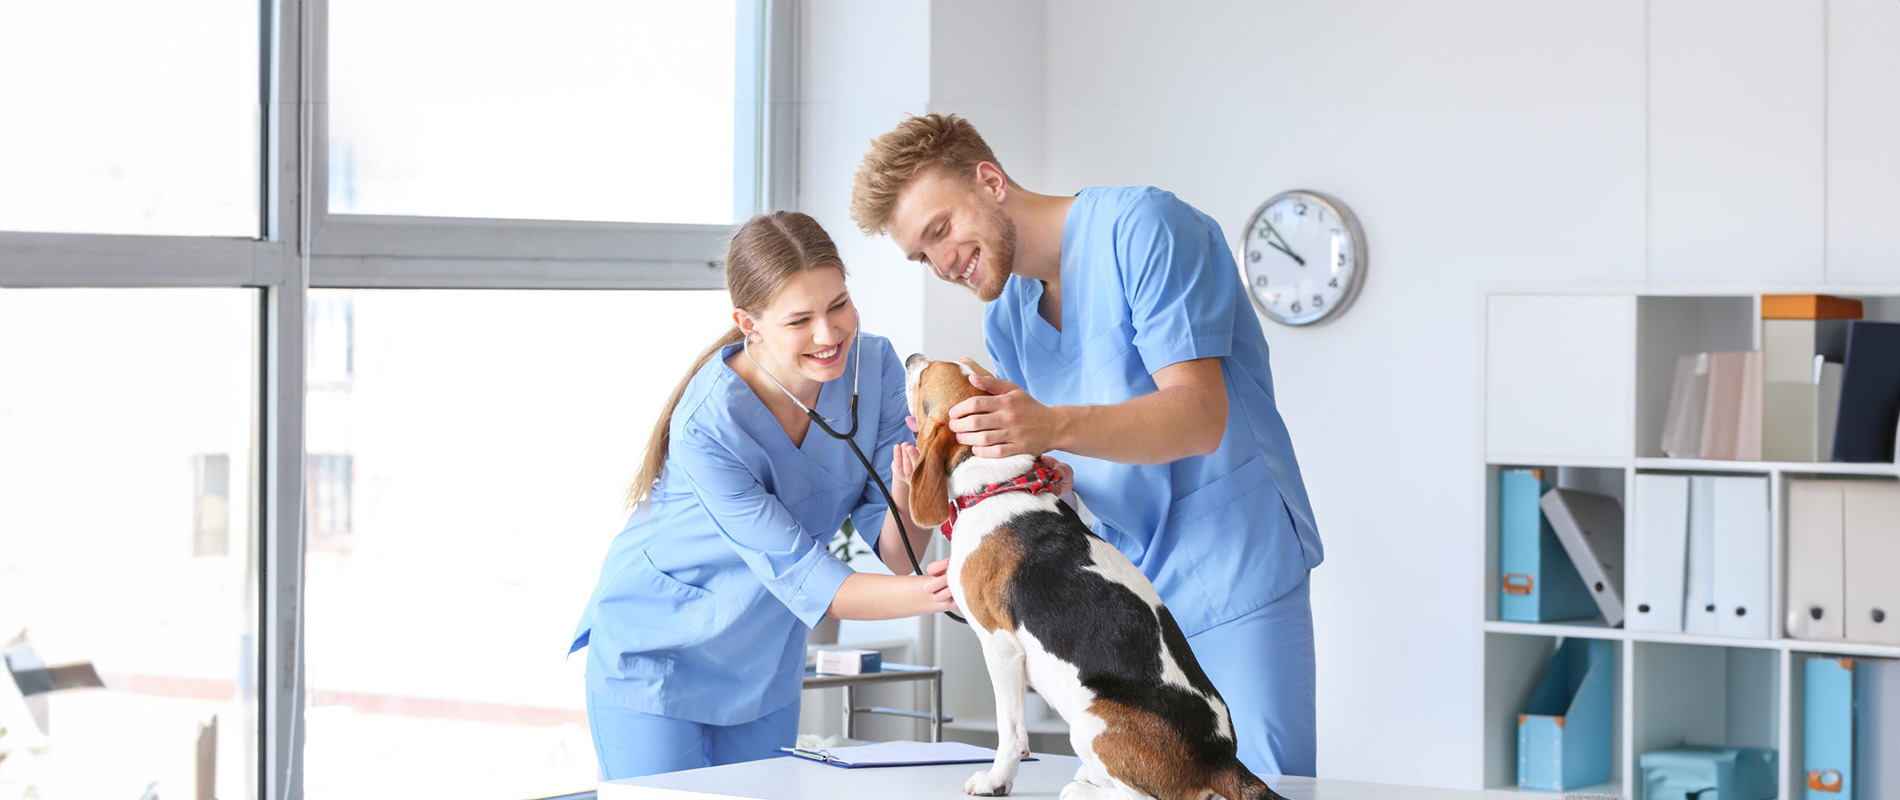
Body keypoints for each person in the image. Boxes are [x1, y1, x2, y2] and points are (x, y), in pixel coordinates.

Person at [848, 113, 1323, 778]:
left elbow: (1198, 416)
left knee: (1259, 786)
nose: (942, 262)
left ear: (989, 181)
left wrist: (1047, 428)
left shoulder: (1146, 229)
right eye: (922, 255)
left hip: (1231, 564)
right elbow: (1063, 458)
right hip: (1121, 590)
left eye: (941, 230)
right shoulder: (1008, 315)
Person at [570, 210, 955, 780]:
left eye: (838, 306)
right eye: (799, 320)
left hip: (764, 661)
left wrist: (906, 486)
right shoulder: (709, 423)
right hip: (657, 655)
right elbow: (809, 577)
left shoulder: (871, 367)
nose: (828, 335)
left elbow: (901, 554)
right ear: (748, 323)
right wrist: (956, 588)